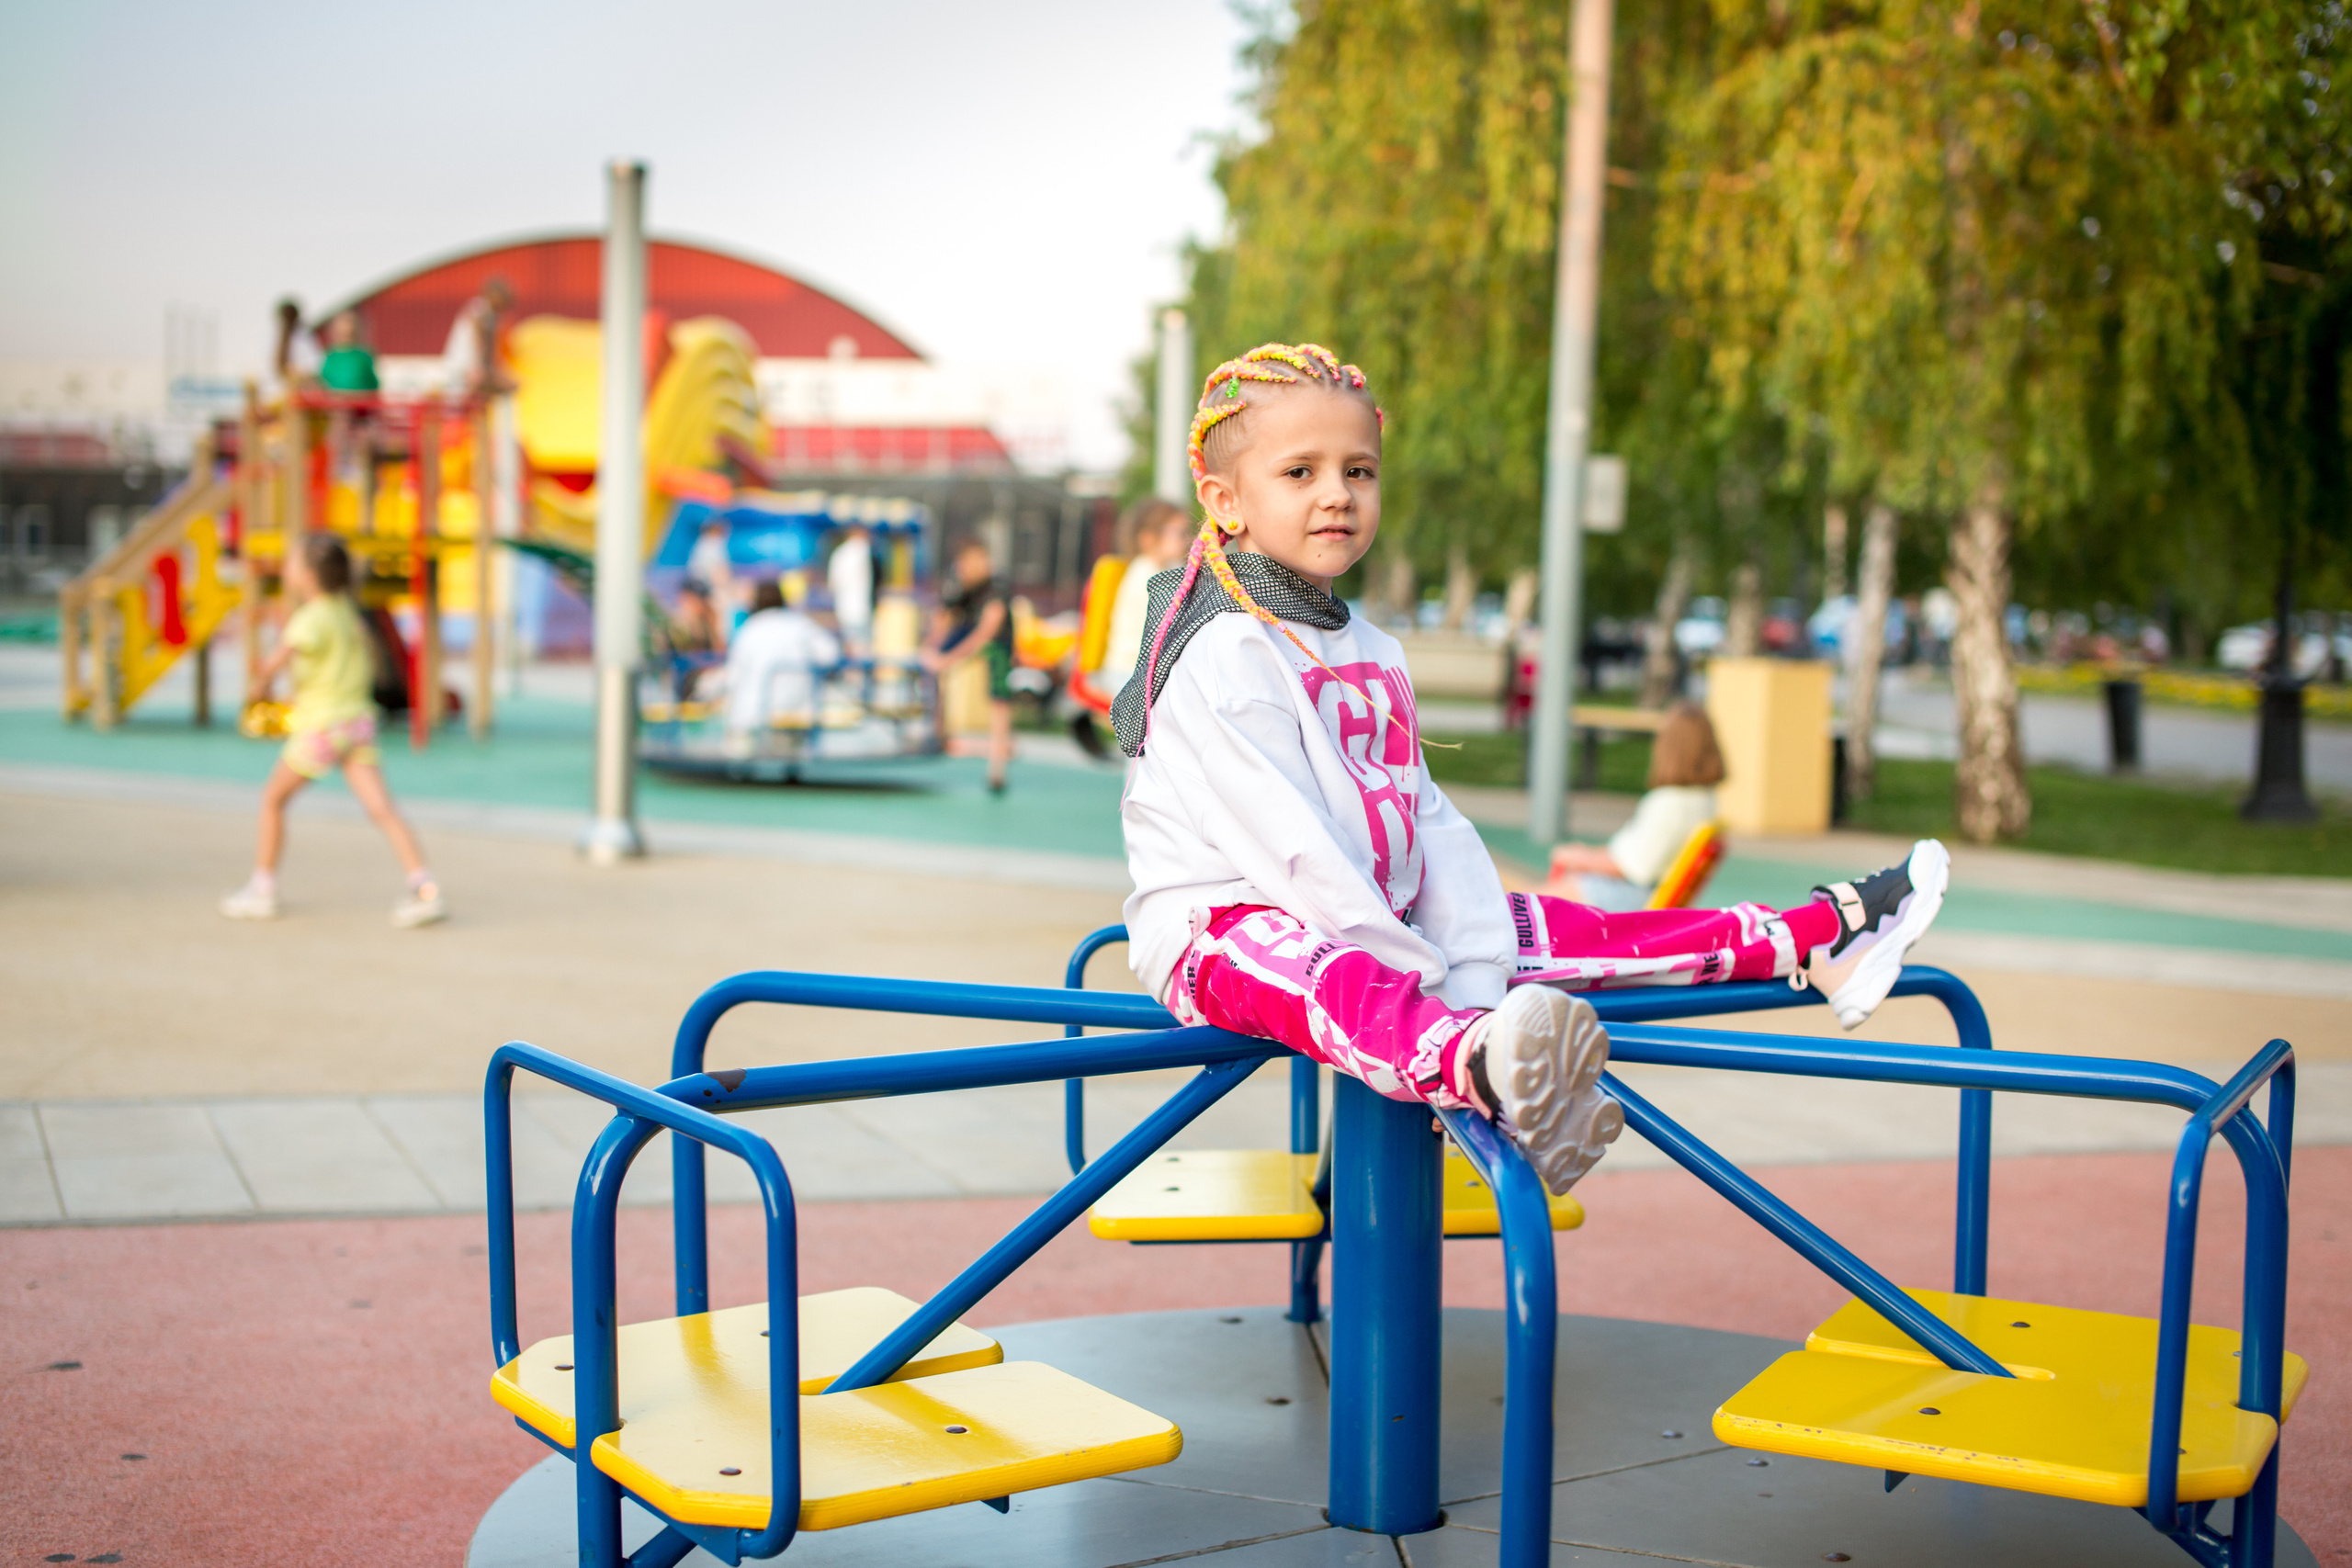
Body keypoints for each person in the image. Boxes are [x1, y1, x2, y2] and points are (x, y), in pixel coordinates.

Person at [1113, 343, 1950, 1195]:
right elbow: (1291, 852)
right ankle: (1486, 1071)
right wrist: (1447, 986)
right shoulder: (1222, 653)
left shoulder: (1367, 647)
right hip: (1225, 926)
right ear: (1226, 501)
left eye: (1359, 470)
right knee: (1331, 976)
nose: (1338, 493)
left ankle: (1820, 938)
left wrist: (1474, 956)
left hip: (1379, 915)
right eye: (1300, 471)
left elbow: (1423, 820)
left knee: (1572, 930)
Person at [221, 535, 445, 928]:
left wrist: (261, 679)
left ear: (307, 576)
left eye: (290, 563)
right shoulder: (346, 612)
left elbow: (279, 659)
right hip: (357, 724)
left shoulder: (309, 619)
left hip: (323, 727)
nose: (284, 569)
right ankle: (424, 887)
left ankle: (262, 889)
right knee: (382, 809)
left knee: (273, 799)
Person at [1543, 702, 1723, 910]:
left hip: (1633, 896)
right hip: (1645, 892)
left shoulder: (1669, 802)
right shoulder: (1704, 799)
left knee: (1528, 903)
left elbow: (1635, 868)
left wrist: (1578, 857)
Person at [926, 536, 1016, 794]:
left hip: (997, 643)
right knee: (930, 665)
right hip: (968, 630)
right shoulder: (958, 586)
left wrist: (949, 659)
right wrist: (932, 649)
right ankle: (936, 730)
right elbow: (944, 618)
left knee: (999, 700)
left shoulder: (997, 587)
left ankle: (997, 769)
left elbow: (987, 631)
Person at [722, 579, 842, 751]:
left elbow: (733, 677)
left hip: (755, 717)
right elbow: (831, 654)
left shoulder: (749, 630)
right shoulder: (800, 625)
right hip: (799, 712)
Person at [442, 276, 514, 400]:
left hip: (466, 366)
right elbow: (479, 339)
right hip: (466, 365)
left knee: (483, 396)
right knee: (509, 386)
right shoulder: (480, 308)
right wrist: (480, 367)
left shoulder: (486, 312)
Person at [827, 521, 876, 653]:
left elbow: (832, 584)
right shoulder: (861, 549)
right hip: (861, 610)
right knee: (863, 650)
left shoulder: (839, 553)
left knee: (851, 648)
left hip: (844, 609)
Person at [318, 312, 379, 394]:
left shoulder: (363, 355)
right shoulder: (329, 355)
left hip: (359, 402)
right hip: (333, 402)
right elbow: (323, 380)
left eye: (348, 334)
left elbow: (371, 383)